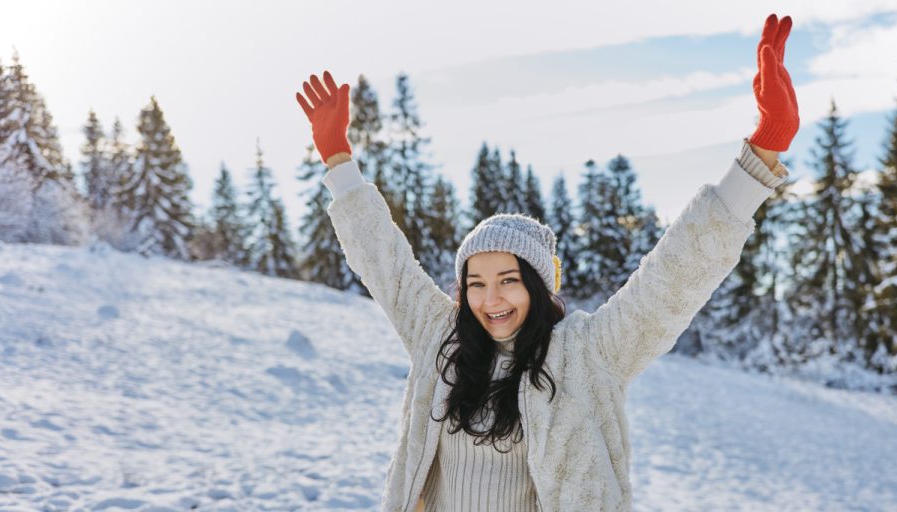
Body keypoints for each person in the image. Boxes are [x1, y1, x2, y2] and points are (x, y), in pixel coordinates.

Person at [295, 13, 797, 512]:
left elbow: (673, 278)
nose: (489, 299)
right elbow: (385, 262)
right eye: (476, 283)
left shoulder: (586, 356)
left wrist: (762, 152)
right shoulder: (438, 339)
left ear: (538, 285)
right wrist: (339, 160)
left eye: (508, 280)